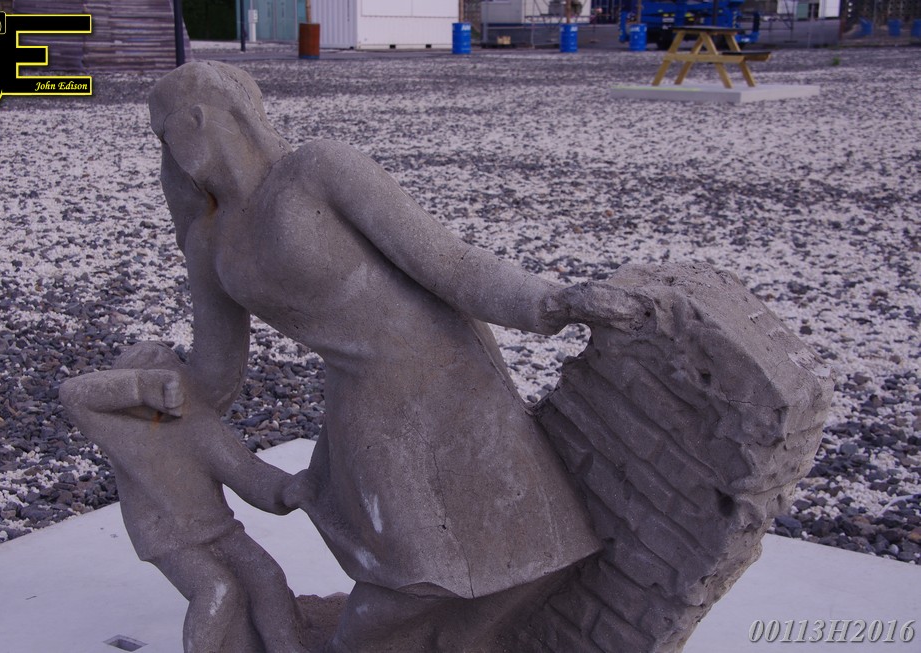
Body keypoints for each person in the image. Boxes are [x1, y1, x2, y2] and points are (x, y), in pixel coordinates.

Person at [149, 61, 652, 651]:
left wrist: (550, 302)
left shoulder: (318, 170)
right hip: (366, 399)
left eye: (178, 122)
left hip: (452, 371)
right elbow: (215, 372)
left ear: (216, 114)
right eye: (165, 131)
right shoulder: (209, 240)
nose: (174, 141)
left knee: (530, 551)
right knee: (412, 571)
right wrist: (143, 391)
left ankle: (464, 644)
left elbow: (448, 262)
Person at [60, 342, 307, 653]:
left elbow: (247, 473)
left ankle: (288, 647)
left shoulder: (198, 424)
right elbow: (73, 393)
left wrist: (291, 489)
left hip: (220, 528)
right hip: (168, 539)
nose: (169, 392)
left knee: (267, 576)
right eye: (157, 381)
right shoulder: (121, 430)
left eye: (171, 378)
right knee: (216, 588)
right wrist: (142, 387)